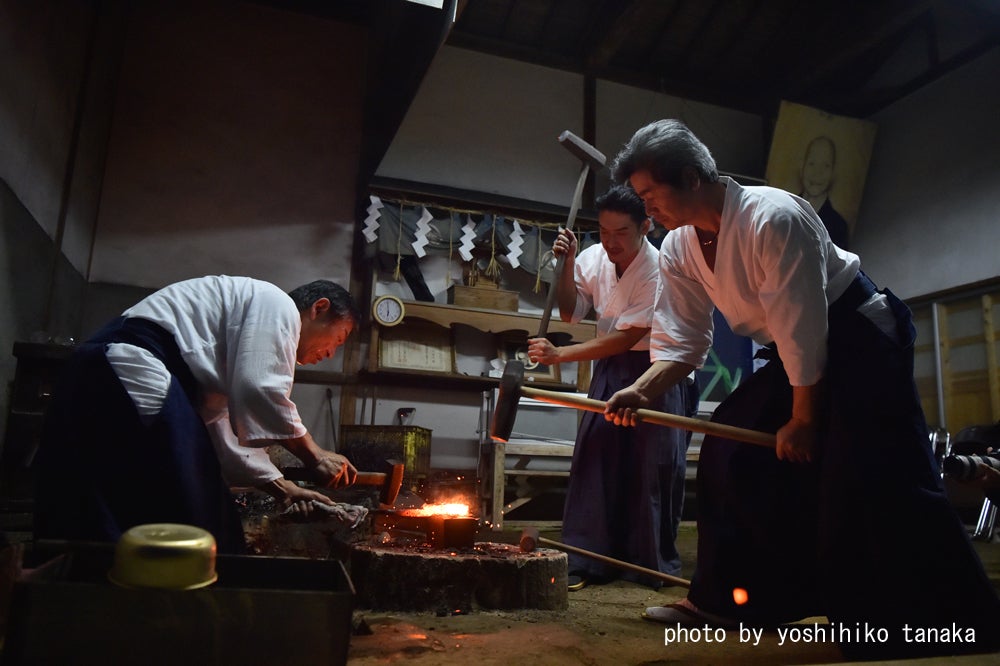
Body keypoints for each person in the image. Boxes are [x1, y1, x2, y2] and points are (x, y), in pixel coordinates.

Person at [603, 119, 1000, 659]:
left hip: (858, 336)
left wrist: (804, 419)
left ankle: (942, 619)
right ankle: (728, 601)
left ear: (692, 177)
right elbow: (683, 340)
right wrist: (641, 390)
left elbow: (803, 326)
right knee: (730, 449)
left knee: (869, 472)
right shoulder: (677, 247)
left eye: (651, 194)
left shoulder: (773, 217)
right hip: (796, 352)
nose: (646, 208)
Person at [33, 275, 360, 554]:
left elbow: (220, 430)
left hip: (100, 372)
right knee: (196, 517)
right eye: (338, 339)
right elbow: (259, 388)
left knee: (100, 506)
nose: (330, 353)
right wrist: (315, 455)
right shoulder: (278, 303)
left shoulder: (223, 356)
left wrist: (284, 489)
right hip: (129, 367)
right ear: (319, 308)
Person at [527, 184, 693, 590]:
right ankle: (587, 560)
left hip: (658, 368)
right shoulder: (593, 257)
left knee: (651, 466)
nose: (611, 242)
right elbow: (570, 312)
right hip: (610, 368)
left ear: (646, 227)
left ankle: (648, 565)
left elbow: (626, 336)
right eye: (603, 231)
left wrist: (560, 355)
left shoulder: (658, 268)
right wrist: (566, 263)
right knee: (595, 457)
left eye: (621, 232)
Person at [799, 135, 850, 249]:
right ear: (803, 166)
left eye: (826, 166)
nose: (817, 173)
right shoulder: (782, 209)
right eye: (812, 164)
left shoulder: (838, 226)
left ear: (833, 172)